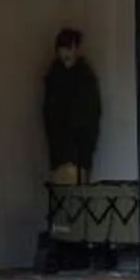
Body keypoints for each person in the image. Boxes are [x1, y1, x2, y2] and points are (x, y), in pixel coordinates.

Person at [43, 27, 102, 182]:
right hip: (61, 145)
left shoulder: (84, 76)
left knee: (74, 189)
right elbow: (49, 112)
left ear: (77, 49)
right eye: (63, 48)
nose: (66, 53)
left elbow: (92, 111)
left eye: (70, 48)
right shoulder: (54, 75)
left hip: (79, 145)